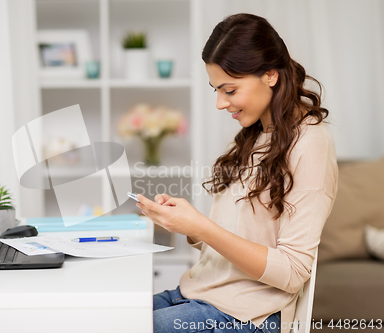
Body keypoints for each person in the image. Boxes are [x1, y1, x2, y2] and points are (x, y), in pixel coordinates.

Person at [136, 13, 338, 333]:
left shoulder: (311, 144)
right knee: (103, 314)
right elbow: (238, 247)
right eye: (216, 90)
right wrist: (188, 225)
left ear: (270, 75)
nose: (219, 103)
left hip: (248, 315)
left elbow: (293, 270)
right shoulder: (256, 135)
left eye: (229, 90)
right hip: (199, 296)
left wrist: (203, 226)